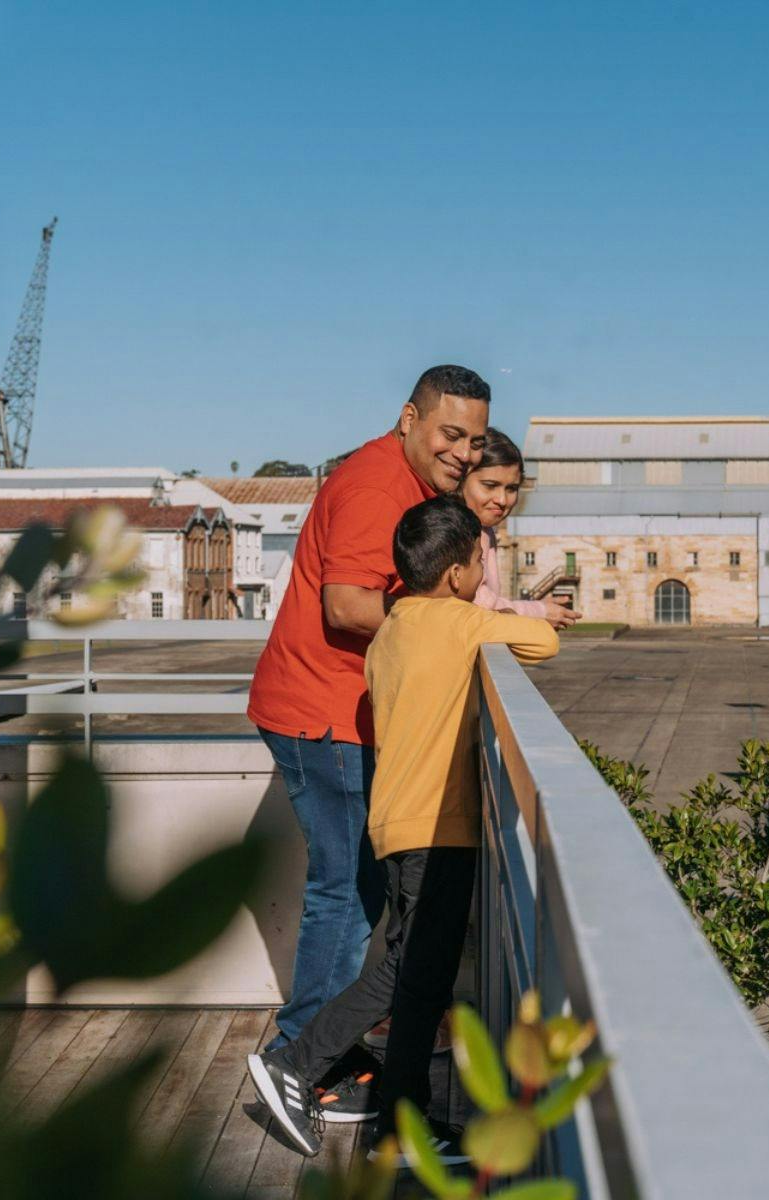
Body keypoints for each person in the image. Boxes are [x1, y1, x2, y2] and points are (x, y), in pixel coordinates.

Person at [248, 496, 559, 1162]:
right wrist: (496, 611)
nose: (485, 569)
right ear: (455, 573)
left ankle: (403, 1128)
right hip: (438, 825)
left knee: (422, 981)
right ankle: (295, 1062)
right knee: (410, 972)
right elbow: (547, 641)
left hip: (396, 823)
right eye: (482, 558)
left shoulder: (393, 629)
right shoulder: (458, 622)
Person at [245, 365, 491, 1096]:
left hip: (341, 711)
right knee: (347, 896)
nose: (464, 453)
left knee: (358, 893)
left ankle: (326, 1048)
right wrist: (441, 634)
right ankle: (299, 1058)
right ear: (409, 418)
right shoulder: (376, 487)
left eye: (474, 441)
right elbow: (348, 606)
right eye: (451, 434)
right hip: (324, 713)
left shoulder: (411, 484)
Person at [460, 427, 579, 628]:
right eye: (489, 485)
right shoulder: (455, 530)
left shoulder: (485, 530)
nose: (502, 500)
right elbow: (479, 604)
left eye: (512, 489)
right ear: (462, 479)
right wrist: (538, 612)